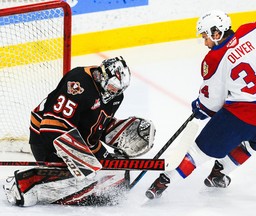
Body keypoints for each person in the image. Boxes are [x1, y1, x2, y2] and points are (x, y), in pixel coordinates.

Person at [145, 10, 256, 199]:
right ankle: (219, 174)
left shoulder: (215, 58)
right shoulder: (253, 31)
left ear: (217, 32)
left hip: (243, 118)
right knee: (252, 145)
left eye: (206, 37)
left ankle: (161, 183)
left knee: (198, 152)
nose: (205, 42)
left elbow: (211, 104)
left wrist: (199, 106)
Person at [3, 56, 156, 206]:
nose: (113, 92)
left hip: (81, 141)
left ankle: (82, 184)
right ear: (102, 75)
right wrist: (85, 163)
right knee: (90, 175)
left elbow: (97, 124)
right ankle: (27, 185)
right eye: (111, 87)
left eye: (117, 89)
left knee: (119, 177)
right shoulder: (78, 83)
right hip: (46, 140)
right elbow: (53, 126)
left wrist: (120, 132)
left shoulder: (116, 96)